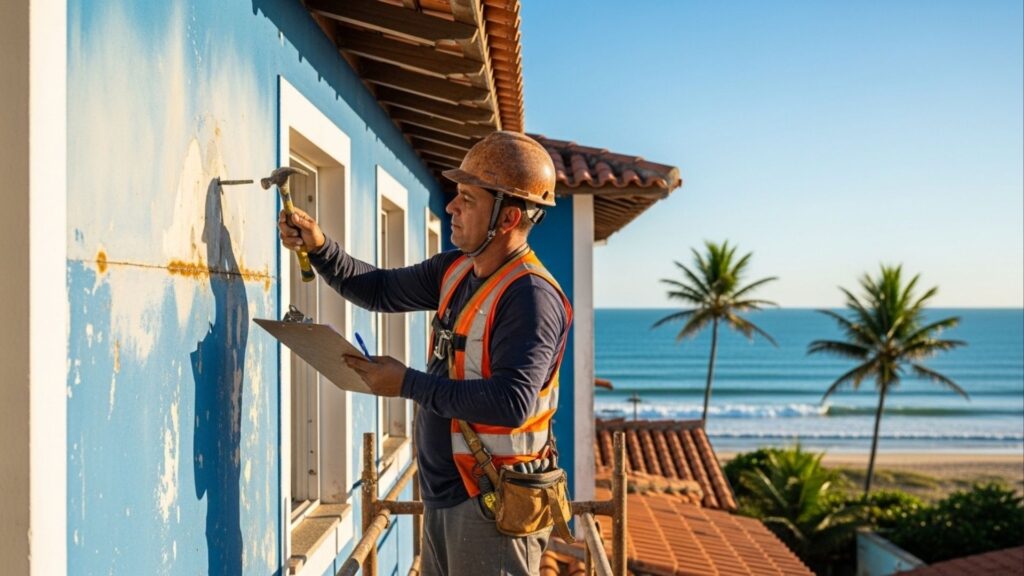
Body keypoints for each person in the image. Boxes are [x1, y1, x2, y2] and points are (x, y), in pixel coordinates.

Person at [278, 131, 572, 576]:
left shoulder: (530, 296)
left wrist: (407, 384)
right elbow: (377, 289)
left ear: (508, 217)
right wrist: (320, 248)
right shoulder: (455, 269)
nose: (452, 207)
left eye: (467, 199)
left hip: (491, 505)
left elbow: (511, 404)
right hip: (447, 495)